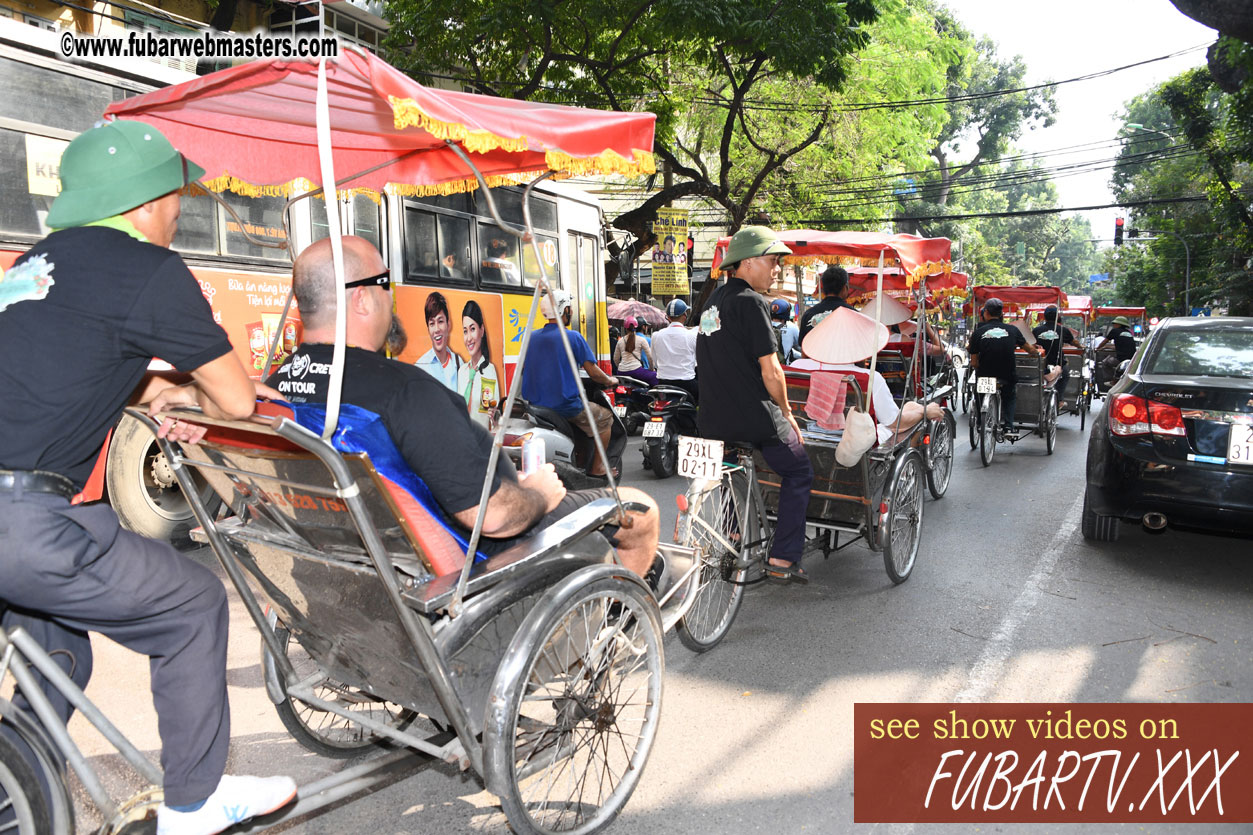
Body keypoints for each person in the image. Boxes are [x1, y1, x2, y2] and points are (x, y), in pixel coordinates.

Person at [0, 120, 295, 835]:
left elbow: (60, 371)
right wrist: (188, 391)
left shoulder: (34, 265)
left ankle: (17, 792)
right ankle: (193, 807)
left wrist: (142, 390)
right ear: (142, 202)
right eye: (175, 196)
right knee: (193, 605)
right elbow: (236, 399)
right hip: (31, 525)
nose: (179, 210)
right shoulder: (151, 270)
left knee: (59, 646)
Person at [268, 237, 661, 581]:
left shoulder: (274, 391)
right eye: (385, 284)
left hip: (355, 551)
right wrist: (539, 494)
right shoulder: (404, 390)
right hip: (475, 554)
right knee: (642, 513)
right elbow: (494, 518)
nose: (391, 296)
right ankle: (603, 639)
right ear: (362, 298)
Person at [697, 226, 813, 585]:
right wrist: (789, 413)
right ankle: (782, 557)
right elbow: (771, 370)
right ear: (747, 262)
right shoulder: (751, 302)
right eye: (773, 261)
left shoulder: (712, 301)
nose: (776, 269)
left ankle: (731, 537)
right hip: (753, 416)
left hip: (711, 418)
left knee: (730, 474)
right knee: (799, 472)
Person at [520, 289, 620, 478]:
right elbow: (594, 373)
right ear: (564, 311)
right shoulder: (573, 337)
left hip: (535, 406)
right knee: (606, 419)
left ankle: (580, 458)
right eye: (570, 308)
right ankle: (597, 467)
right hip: (565, 406)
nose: (572, 312)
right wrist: (610, 380)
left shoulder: (531, 337)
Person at [967, 298, 1043, 431]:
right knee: (1009, 395)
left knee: (980, 393)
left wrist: (982, 367)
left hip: (985, 374)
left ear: (985, 313)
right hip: (1007, 374)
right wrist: (1036, 353)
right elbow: (1030, 349)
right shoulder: (1012, 330)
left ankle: (980, 422)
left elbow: (974, 362)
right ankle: (1008, 425)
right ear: (1001, 314)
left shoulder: (978, 333)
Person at [458, 299, 499, 429]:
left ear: (481, 330)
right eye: (465, 331)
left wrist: (495, 416)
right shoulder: (462, 372)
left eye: (473, 329)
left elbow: (494, 419)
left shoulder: (489, 371)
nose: (468, 338)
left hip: (481, 441)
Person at [414, 291, 464, 393]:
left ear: (448, 324)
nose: (437, 329)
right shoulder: (420, 366)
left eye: (440, 321)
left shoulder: (459, 363)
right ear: (428, 329)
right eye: (432, 323)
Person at [650, 298, 699, 402]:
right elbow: (698, 360)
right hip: (687, 384)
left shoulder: (656, 335)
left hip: (663, 383)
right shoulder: (691, 335)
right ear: (685, 315)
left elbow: (655, 362)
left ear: (668, 317)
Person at [1032, 305, 1078, 406]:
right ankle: (1060, 400)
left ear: (1044, 317)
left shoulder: (1036, 330)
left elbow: (1031, 345)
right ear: (1057, 317)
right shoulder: (1063, 330)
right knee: (1065, 375)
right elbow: (1074, 342)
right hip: (1058, 363)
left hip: (1039, 364)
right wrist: (1081, 346)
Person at [798, 265, 854, 345]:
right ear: (845, 288)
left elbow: (803, 347)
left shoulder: (808, 315)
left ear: (823, 289)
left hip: (815, 357)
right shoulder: (854, 315)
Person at [613, 315, 658, 386]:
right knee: (656, 376)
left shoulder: (620, 341)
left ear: (625, 328)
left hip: (621, 372)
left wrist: (622, 367)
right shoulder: (641, 340)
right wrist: (651, 369)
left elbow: (616, 359)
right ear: (636, 327)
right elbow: (650, 357)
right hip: (636, 371)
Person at [769, 298, 800, 365]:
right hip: (784, 369)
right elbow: (798, 347)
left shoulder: (763, 324)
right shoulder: (792, 327)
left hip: (763, 368)